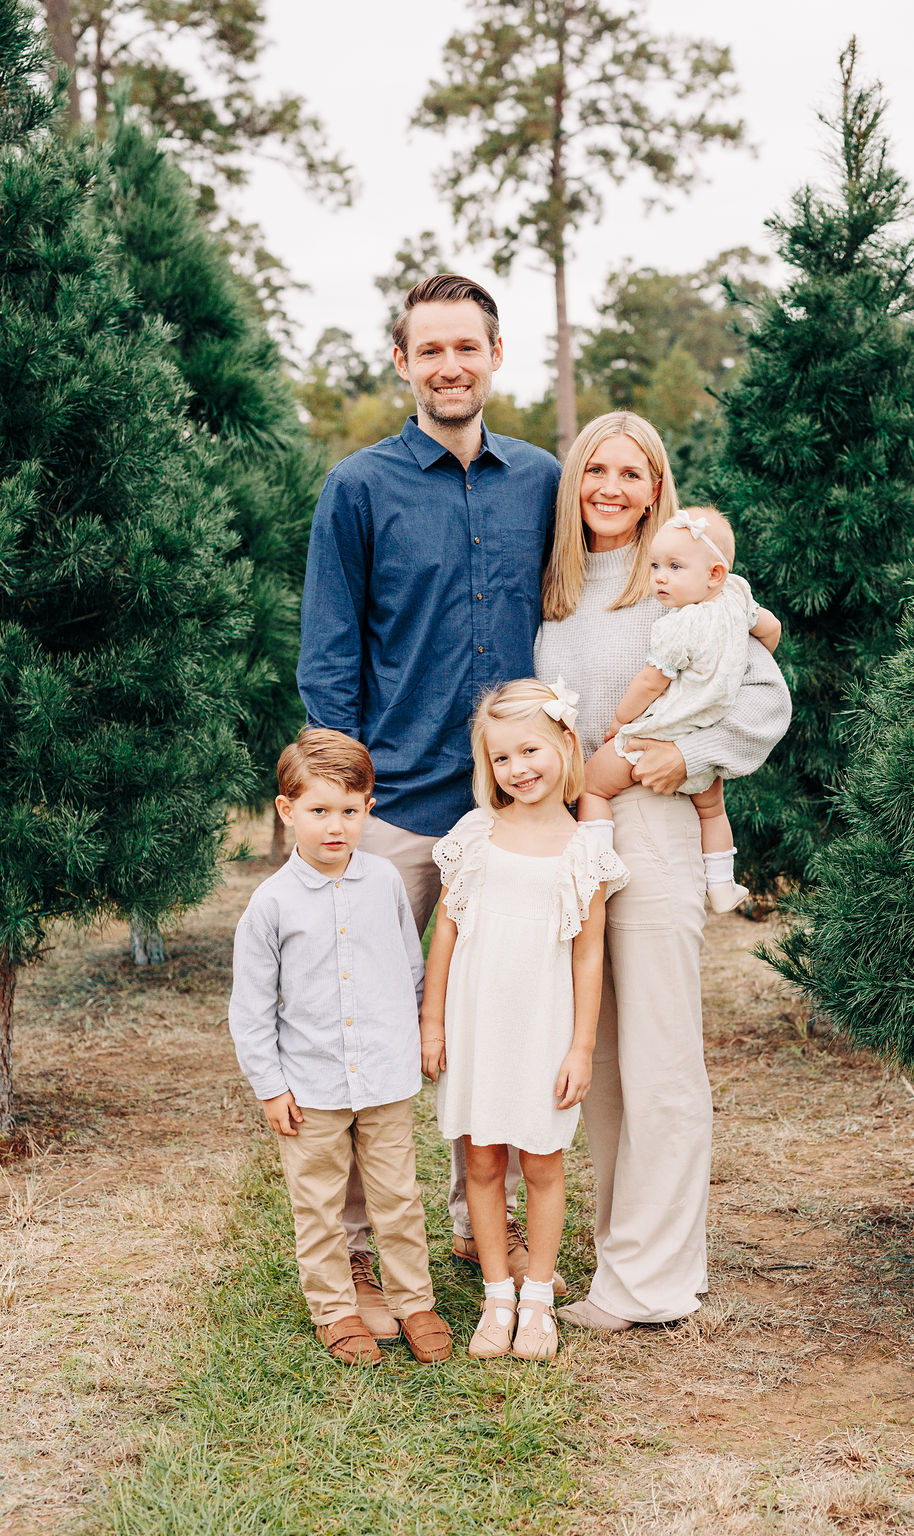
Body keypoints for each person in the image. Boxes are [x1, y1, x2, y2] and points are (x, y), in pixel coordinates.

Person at [296, 273, 564, 1330]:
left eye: (468, 347)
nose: (450, 365)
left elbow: (630, 569)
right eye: (430, 349)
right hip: (399, 805)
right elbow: (328, 653)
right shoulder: (356, 490)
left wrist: (745, 621)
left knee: (494, 1016)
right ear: (401, 363)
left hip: (513, 811)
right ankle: (358, 1248)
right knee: (365, 1031)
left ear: (497, 356)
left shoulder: (541, 479)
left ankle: (475, 1220)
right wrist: (345, 802)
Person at [534, 412, 791, 1331]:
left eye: (631, 474)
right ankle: (621, 1261)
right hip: (568, 834)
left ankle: (656, 1283)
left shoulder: (685, 579)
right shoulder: (553, 584)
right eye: (595, 469)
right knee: (596, 1060)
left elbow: (766, 697)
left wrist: (687, 761)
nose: (610, 487)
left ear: (657, 489)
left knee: (659, 1057)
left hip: (649, 826)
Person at [228, 729, 452, 1365]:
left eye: (349, 811)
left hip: (383, 1077)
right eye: (319, 811)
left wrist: (419, 1031)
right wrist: (271, 1087)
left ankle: (413, 1301)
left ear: (369, 809)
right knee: (320, 1205)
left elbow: (409, 966)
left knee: (398, 1198)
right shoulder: (270, 904)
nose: (335, 827)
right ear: (286, 809)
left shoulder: (383, 882)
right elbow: (250, 1009)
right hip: (311, 1087)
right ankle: (334, 1308)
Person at [420, 681, 628, 1359]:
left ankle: (538, 1298)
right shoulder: (477, 834)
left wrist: (580, 1047)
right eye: (502, 757)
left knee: (542, 1162)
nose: (519, 768)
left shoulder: (585, 850)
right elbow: (446, 932)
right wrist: (433, 1021)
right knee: (481, 1162)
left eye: (530, 749)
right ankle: (497, 1295)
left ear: (566, 745)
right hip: (477, 1022)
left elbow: (590, 954)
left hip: (542, 1027)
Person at [578, 506, 782, 913]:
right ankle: (723, 885)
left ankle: (596, 862)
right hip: (705, 736)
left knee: (591, 785)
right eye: (656, 565)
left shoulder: (677, 625)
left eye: (674, 566)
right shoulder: (738, 597)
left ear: (714, 574)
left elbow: (652, 682)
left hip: (662, 735)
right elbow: (772, 627)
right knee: (712, 812)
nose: (661, 577)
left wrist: (622, 720)